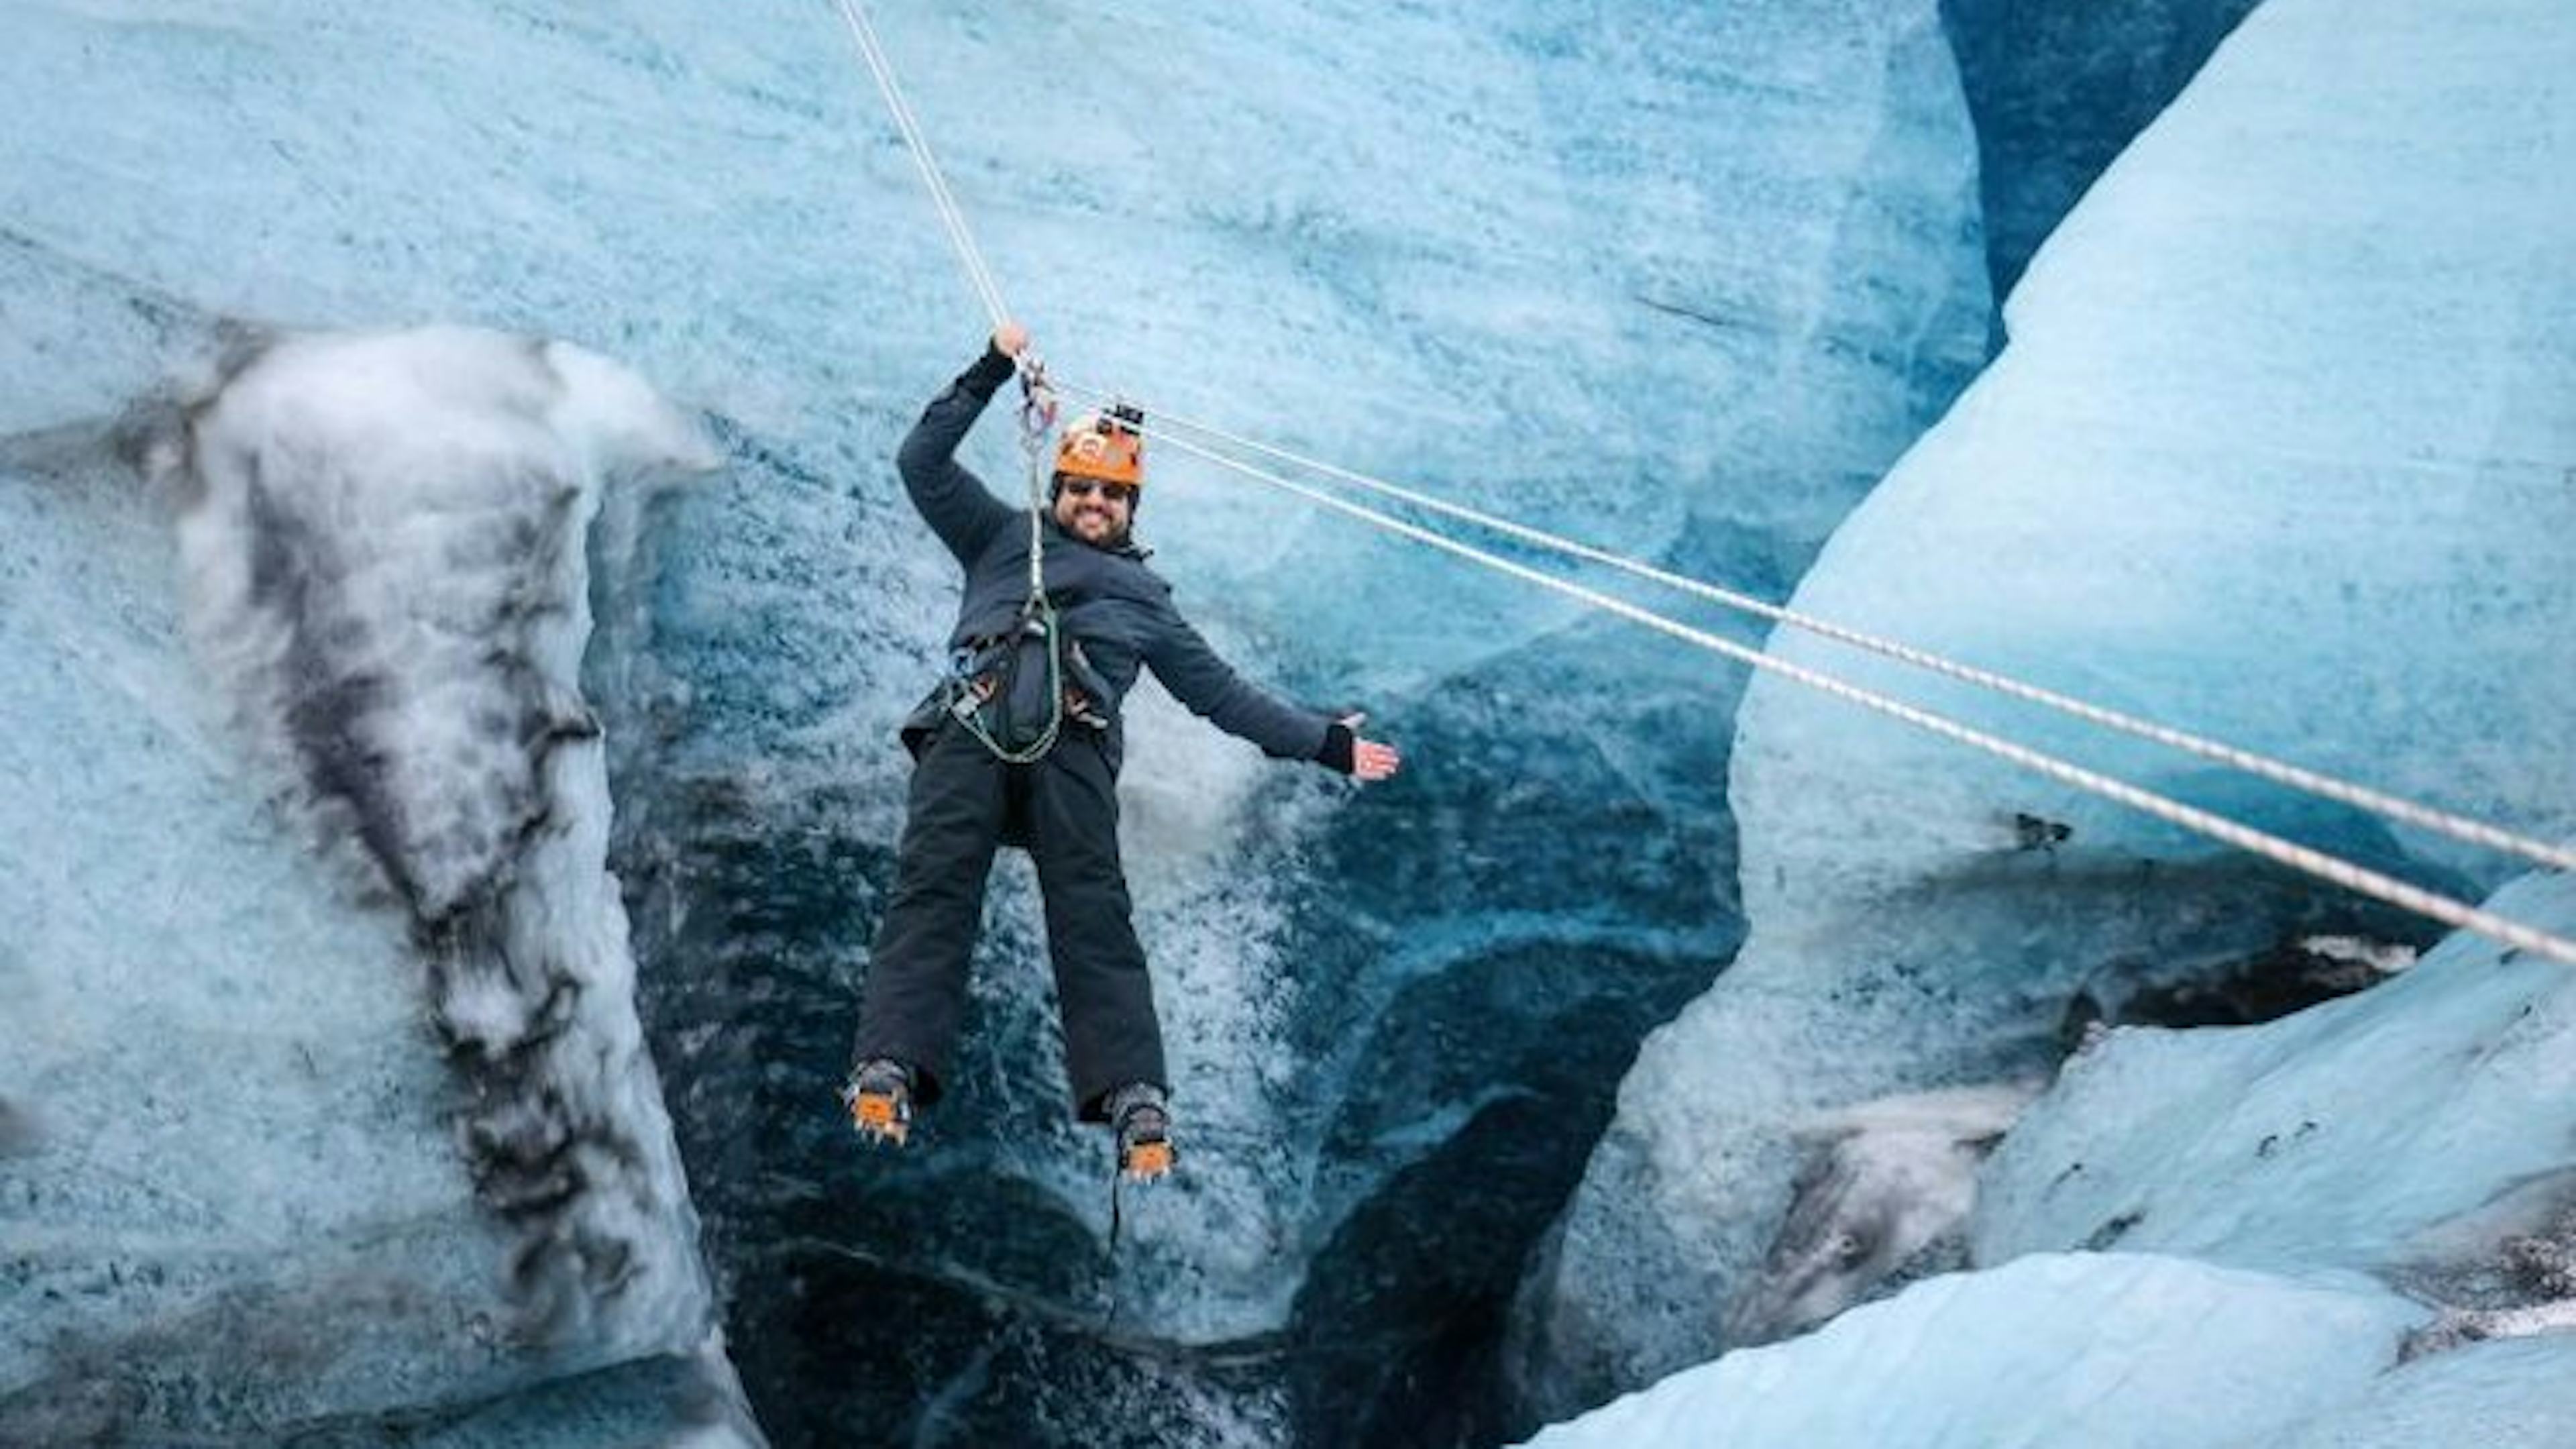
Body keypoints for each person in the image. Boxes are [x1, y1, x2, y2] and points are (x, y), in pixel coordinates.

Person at [845, 322, 1401, 1179]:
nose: (1095, 505)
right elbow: (921, 462)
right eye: (1082, 491)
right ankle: (891, 1066)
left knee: (1093, 918)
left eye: (1112, 497)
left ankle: (1134, 1096)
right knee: (934, 888)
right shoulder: (1000, 536)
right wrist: (992, 369)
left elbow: (1222, 696)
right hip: (974, 733)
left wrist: (1325, 745)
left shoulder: (1144, 599)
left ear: (1131, 510)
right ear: (1058, 489)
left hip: (1073, 757)